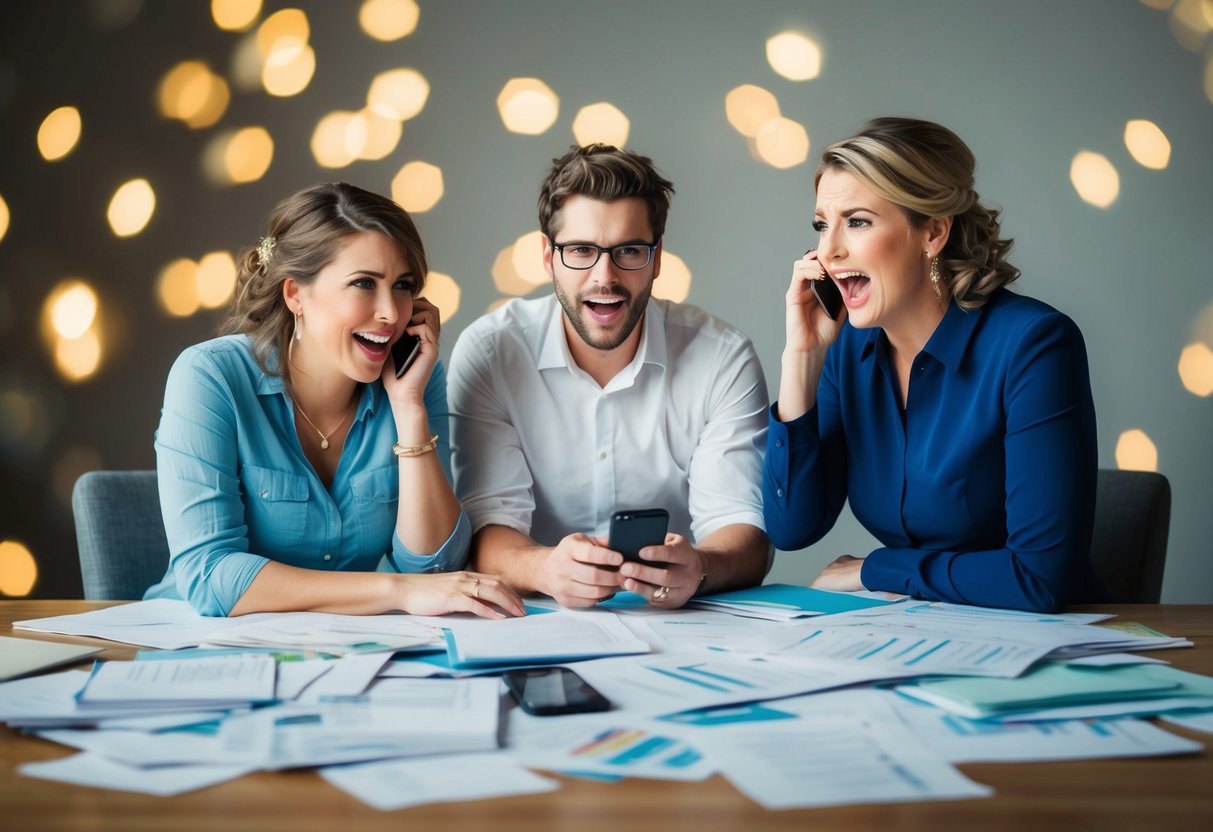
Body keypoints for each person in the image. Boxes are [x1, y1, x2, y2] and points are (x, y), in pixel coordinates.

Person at [763, 117, 1100, 613]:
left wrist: (875, 568)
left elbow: (1039, 578)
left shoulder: (1034, 345)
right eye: (821, 225)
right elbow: (793, 528)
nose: (828, 251)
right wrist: (802, 360)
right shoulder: (847, 356)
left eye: (857, 221)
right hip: (916, 634)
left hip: (1043, 642)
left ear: (934, 232)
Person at [145, 182, 524, 619]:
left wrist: (408, 408)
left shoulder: (413, 379)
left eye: (403, 286)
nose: (390, 313)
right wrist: (395, 592)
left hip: (346, 654)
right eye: (364, 283)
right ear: (295, 295)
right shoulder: (210, 377)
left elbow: (433, 565)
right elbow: (212, 577)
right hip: (200, 649)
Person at [449, 144, 770, 609]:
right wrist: (545, 569)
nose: (605, 276)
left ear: (657, 259)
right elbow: (487, 526)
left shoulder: (722, 357)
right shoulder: (491, 352)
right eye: (581, 250)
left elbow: (744, 533)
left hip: (680, 626)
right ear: (547, 257)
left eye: (629, 251)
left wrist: (701, 569)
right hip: (532, 623)